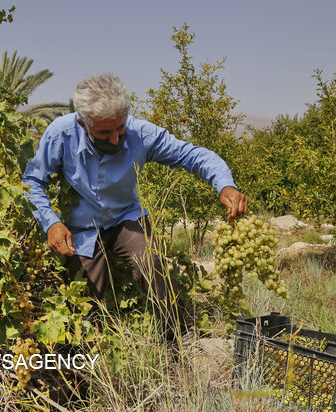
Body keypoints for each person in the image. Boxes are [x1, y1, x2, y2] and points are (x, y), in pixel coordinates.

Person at [22, 73, 247, 339]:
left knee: (152, 266)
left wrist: (225, 185)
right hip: (80, 226)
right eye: (105, 132)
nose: (116, 139)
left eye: (120, 128)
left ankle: (176, 340)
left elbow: (192, 155)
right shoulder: (60, 133)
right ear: (83, 124)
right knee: (83, 298)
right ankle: (87, 355)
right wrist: (52, 222)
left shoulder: (142, 134)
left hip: (125, 217)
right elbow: (33, 181)